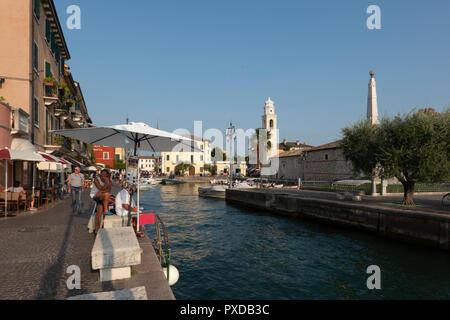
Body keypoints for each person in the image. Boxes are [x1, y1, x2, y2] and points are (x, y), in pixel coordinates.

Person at [90, 169, 112, 234]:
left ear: (108, 175)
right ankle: (106, 210)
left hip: (102, 195)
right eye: (102, 175)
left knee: (99, 210)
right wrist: (106, 183)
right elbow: (101, 188)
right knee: (106, 194)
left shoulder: (109, 181)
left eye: (105, 175)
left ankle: (97, 229)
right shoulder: (96, 180)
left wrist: (102, 191)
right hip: (94, 195)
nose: (103, 176)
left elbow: (109, 190)